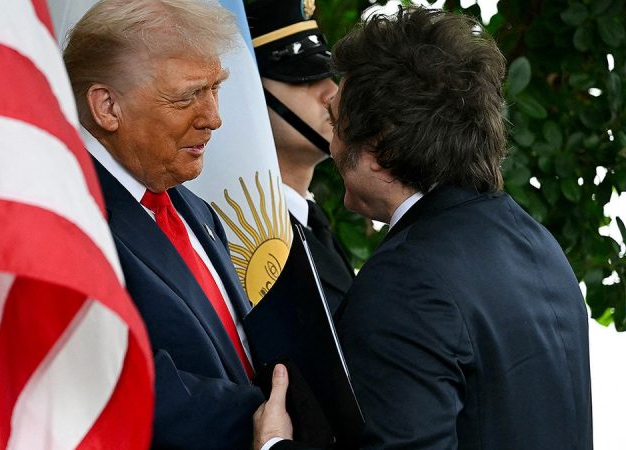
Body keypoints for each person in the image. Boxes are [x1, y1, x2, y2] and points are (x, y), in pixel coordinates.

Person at [254, 7, 593, 450]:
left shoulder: (405, 283)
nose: (333, 146)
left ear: (381, 151)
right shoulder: (536, 242)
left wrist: (275, 445)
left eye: (338, 126)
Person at [63, 1, 264, 448]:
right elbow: (113, 381)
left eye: (215, 89)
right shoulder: (70, 218)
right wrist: (271, 421)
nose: (213, 118)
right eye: (187, 96)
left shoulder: (195, 210)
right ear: (107, 106)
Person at [247, 0, 353, 314]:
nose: (332, 92)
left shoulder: (313, 223)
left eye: (328, 75)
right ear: (251, 94)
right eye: (304, 78)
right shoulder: (249, 234)